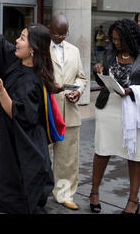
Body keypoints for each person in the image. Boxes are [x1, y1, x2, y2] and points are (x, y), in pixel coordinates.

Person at [0, 22, 61, 214]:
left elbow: (18, 114)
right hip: (13, 145)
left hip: (27, 150)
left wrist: (1, 91)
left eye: (22, 38)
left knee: (22, 201)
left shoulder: (31, 81)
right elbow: (1, 43)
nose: (16, 41)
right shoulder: (18, 63)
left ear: (33, 48)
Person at [91, 18, 140, 214]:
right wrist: (99, 72)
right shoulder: (111, 53)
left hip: (133, 110)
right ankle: (94, 192)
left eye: (120, 40)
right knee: (102, 150)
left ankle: (133, 201)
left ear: (130, 38)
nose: (116, 43)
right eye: (113, 40)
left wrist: (131, 91)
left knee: (135, 154)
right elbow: (105, 82)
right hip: (108, 107)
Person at [47, 15, 88, 210]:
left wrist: (78, 91)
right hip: (46, 111)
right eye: (57, 33)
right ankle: (37, 191)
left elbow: (81, 77)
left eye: (64, 34)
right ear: (49, 29)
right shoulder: (39, 48)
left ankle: (63, 194)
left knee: (68, 159)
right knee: (41, 155)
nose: (61, 37)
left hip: (69, 111)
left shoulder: (74, 50)